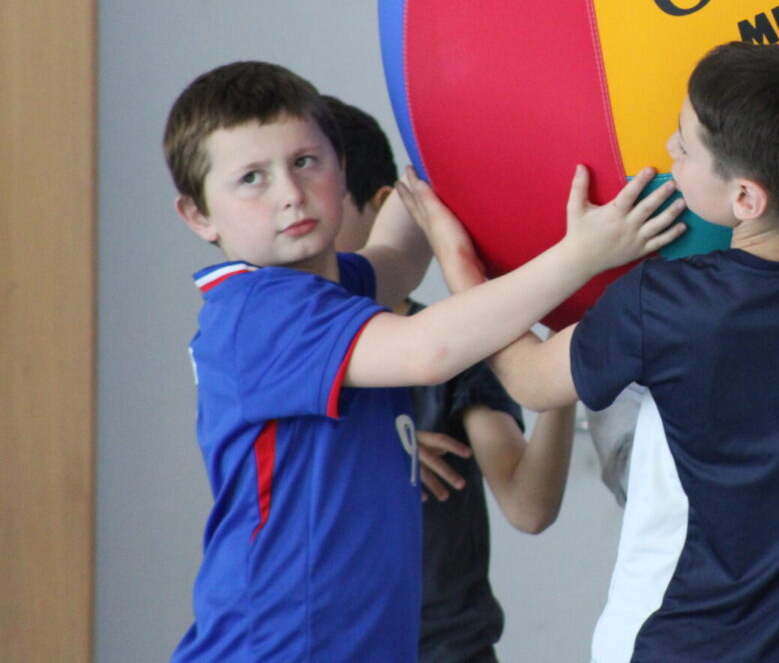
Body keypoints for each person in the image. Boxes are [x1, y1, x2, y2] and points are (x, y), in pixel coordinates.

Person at [407, 41, 779, 663]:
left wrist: (460, 253)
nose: (668, 149)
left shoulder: (663, 302)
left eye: (684, 147)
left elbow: (528, 379)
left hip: (665, 647)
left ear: (746, 199)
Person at [163, 61, 683, 663]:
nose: (290, 193)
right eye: (252, 178)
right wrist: (582, 255)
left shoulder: (333, 289)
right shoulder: (256, 312)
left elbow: (400, 259)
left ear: (341, 166)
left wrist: (459, 116)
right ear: (198, 215)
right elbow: (430, 350)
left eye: (305, 162)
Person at [324, 95, 577, 663]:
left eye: (326, 197)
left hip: (448, 648)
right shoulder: (287, 345)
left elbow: (529, 506)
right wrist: (380, 451)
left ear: (384, 206)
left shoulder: (456, 343)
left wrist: (560, 369)